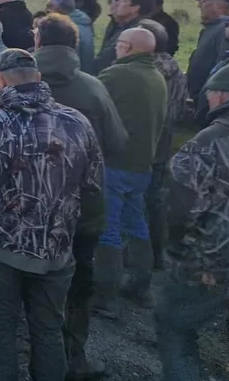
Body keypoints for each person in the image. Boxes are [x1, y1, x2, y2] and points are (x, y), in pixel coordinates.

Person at [0, 49, 103, 381]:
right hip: (58, 252)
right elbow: (93, 186)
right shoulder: (78, 123)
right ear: (38, 78)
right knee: (48, 331)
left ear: (0, 81)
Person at [34, 14, 127, 380]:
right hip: (79, 210)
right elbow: (118, 144)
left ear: (39, 42)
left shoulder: (16, 84)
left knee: (20, 278)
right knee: (77, 286)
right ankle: (73, 359)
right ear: (74, 45)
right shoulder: (93, 88)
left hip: (26, 209)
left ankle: (5, 347)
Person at [155, 62, 229, 381]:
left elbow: (179, 209)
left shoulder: (208, 143)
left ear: (221, 96)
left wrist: (179, 251)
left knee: (175, 326)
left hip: (212, 264)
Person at [95, 27, 168, 310]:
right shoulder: (158, 76)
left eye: (118, 43)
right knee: (136, 223)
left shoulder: (116, 75)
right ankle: (141, 284)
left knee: (108, 228)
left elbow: (93, 106)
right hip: (142, 165)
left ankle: (104, 293)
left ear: (126, 47)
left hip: (115, 163)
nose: (115, 48)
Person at [137, 18, 188, 275]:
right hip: (163, 144)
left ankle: (137, 264)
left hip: (139, 145)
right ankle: (158, 255)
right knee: (155, 201)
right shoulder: (176, 70)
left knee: (134, 204)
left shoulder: (141, 72)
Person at [187, 0, 229, 110]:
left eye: (203, 2)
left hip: (211, 99)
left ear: (217, 6)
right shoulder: (212, 29)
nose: (199, 6)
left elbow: (223, 65)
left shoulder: (226, 29)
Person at [94, 0, 154, 74]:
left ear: (135, 8)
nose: (117, 4)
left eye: (123, 1)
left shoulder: (138, 32)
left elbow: (108, 57)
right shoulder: (119, 24)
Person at [47, 0, 96, 73]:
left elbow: (69, 60)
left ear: (59, 9)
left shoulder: (68, 28)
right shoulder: (83, 22)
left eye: (50, 7)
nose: (48, 11)